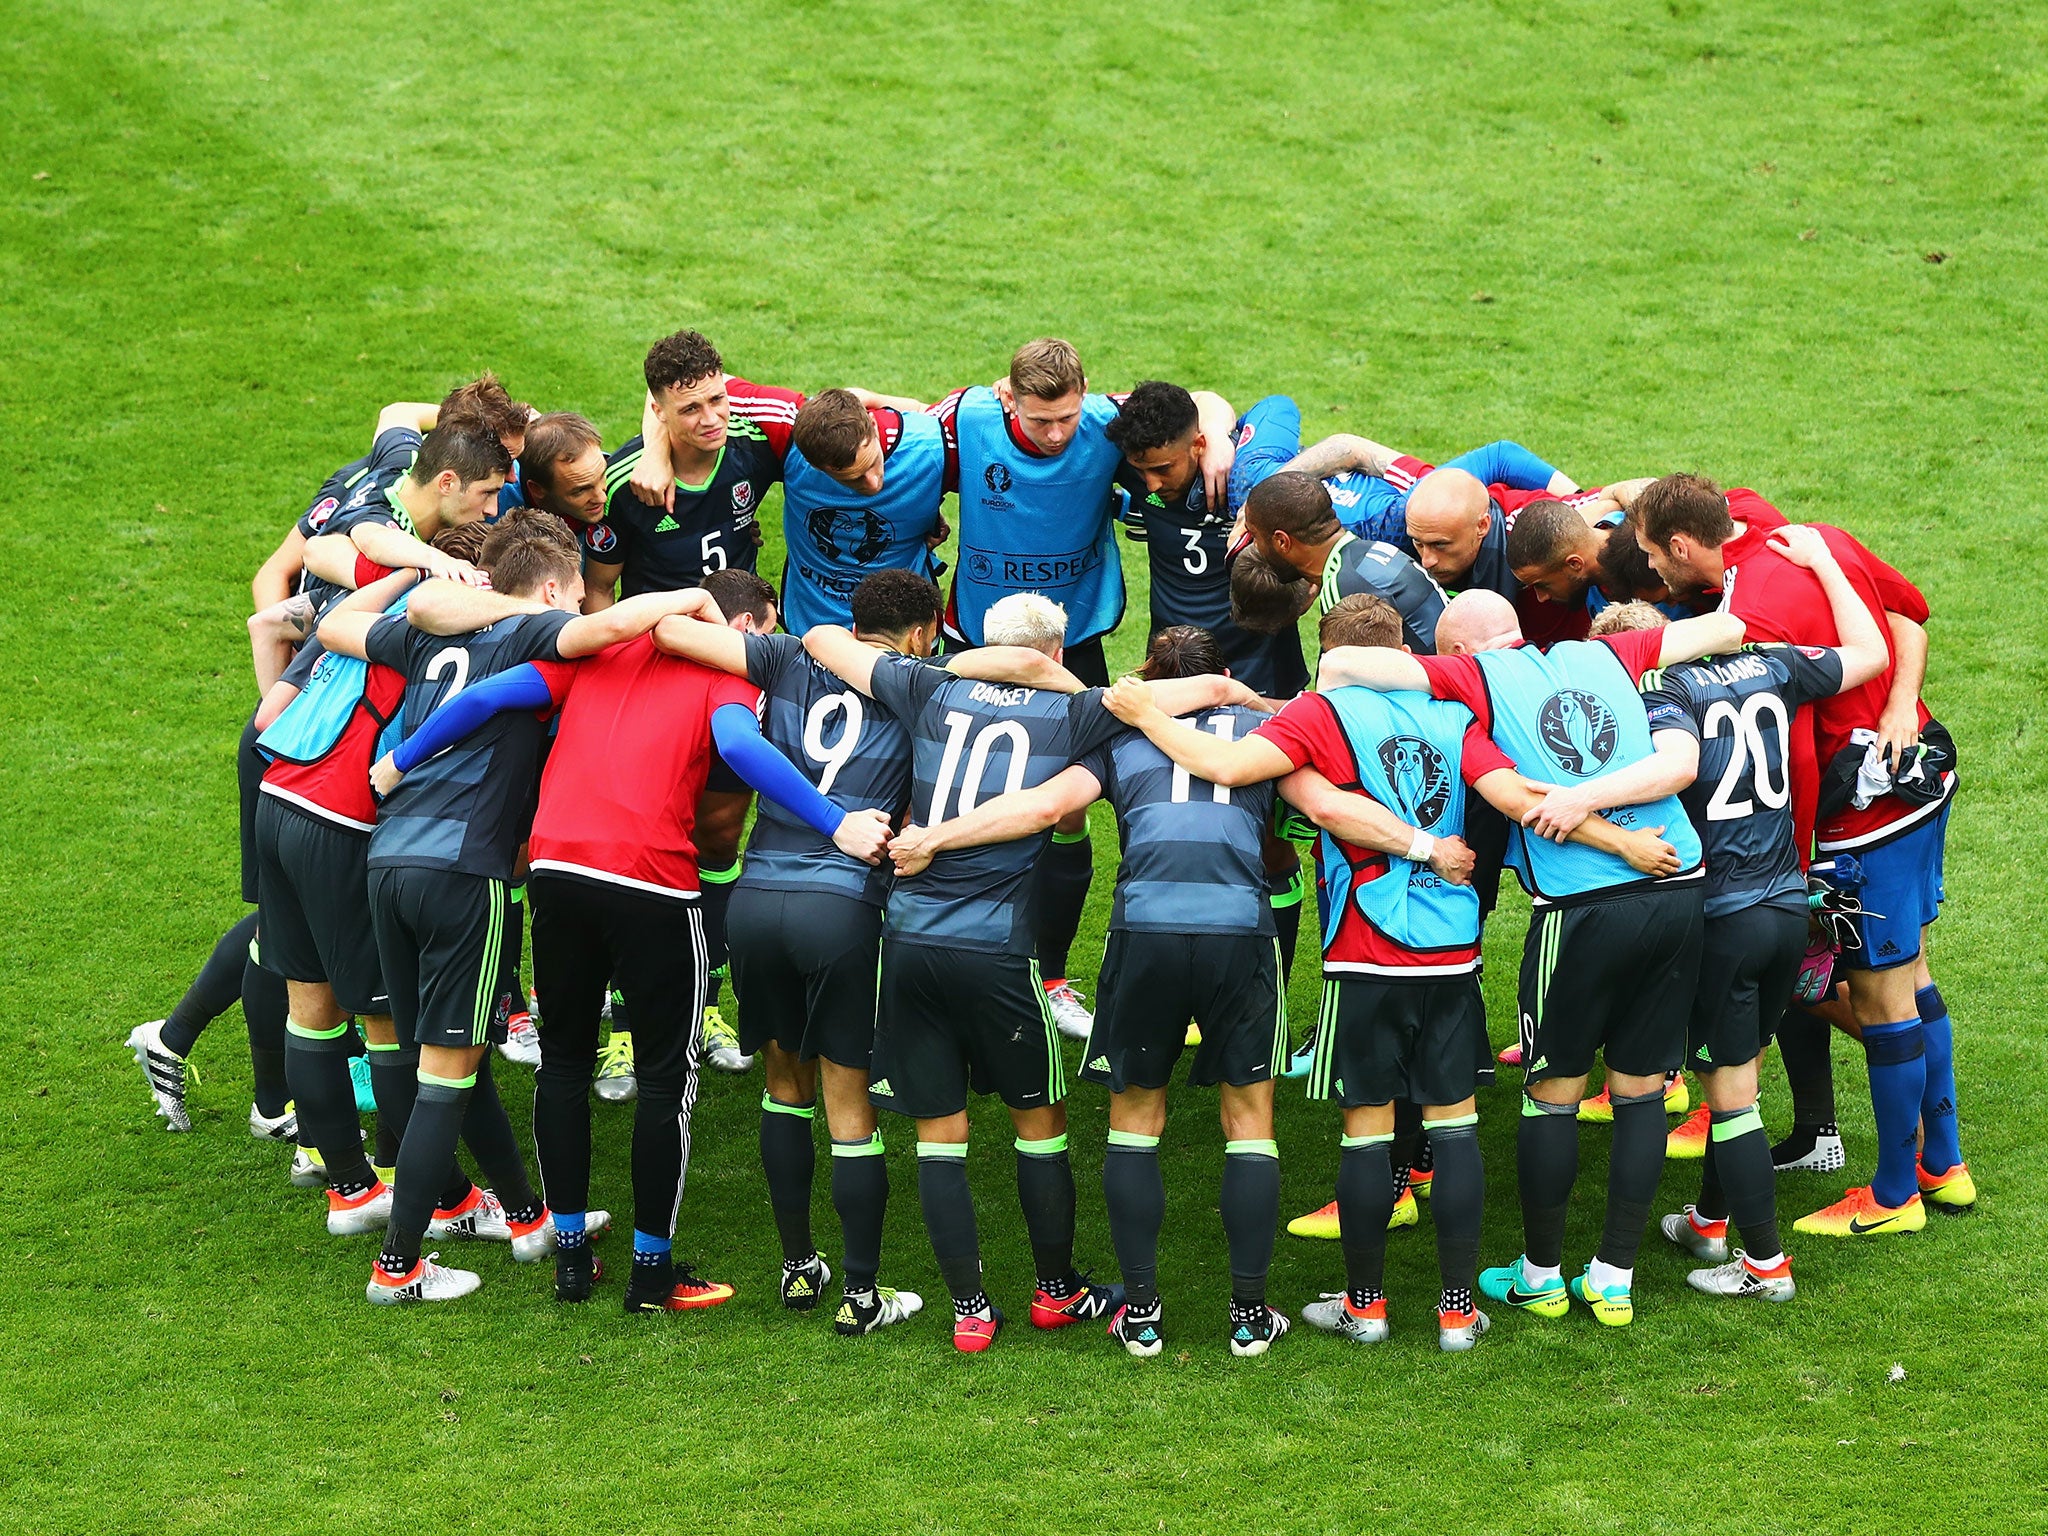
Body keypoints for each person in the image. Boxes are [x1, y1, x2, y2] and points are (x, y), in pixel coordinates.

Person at [1109, 596, 1684, 1349]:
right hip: (1452, 950)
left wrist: (1145, 714)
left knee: (1366, 1135)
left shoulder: (1319, 715)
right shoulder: (1453, 715)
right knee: (1455, 1130)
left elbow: (1225, 764)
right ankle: (1454, 1312)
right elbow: (1519, 798)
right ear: (1403, 646)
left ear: (1330, 647)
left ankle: (1366, 1308)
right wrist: (1623, 843)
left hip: (1363, 952)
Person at [375, 564, 895, 1311]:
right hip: (652, 880)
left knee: (562, 1065)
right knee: (665, 1079)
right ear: (745, 627)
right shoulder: (727, 675)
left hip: (556, 870)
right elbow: (741, 750)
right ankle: (652, 1273)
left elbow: (490, 695)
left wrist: (399, 759)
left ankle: (570, 1260)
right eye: (768, 631)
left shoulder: (593, 652)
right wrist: (836, 822)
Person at [803, 593, 1253, 1352]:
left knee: (939, 1134)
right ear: (1057, 653)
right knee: (1038, 1126)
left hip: (908, 941)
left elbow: (818, 636)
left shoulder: (927, 684)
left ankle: (970, 1311)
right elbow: (1209, 690)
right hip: (999, 953)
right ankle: (1056, 1291)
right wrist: (1084, 687)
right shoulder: (1078, 714)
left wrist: (950, 661)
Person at [651, 569, 1072, 1332]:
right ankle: (860, 1294)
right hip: (841, 905)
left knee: (783, 1085)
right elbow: (1020, 670)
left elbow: (671, 632)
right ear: (918, 635)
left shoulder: (780, 659)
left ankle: (795, 1268)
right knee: (849, 1105)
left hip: (754, 898)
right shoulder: (923, 683)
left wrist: (726, 613)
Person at [1320, 589, 1745, 1327]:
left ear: (1455, 653)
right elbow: (1731, 624)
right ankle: (1613, 1276)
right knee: (1641, 1089)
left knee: (1554, 1088)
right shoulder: (1606, 651)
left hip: (1579, 913)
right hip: (1679, 888)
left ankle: (1541, 1276)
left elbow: (1343, 660)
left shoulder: (1469, 678)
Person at [316, 514, 701, 1304]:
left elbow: (335, 625)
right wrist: (692, 596)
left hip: (388, 855)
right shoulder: (545, 634)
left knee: (444, 1054)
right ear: (558, 586)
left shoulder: (429, 635)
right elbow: (622, 621)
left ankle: (526, 1218)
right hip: (465, 867)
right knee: (447, 1068)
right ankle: (399, 1267)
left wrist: (430, 580)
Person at [890, 626, 1304, 1357]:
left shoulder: (1118, 732)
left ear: (1145, 678)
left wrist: (934, 835)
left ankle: (1140, 1312)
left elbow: (1046, 808)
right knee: (1250, 1121)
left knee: (1134, 1119)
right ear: (1227, 674)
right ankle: (1248, 1315)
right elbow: (1321, 807)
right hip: (1240, 932)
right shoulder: (1267, 728)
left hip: (1142, 933)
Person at [1528, 529, 1892, 1301]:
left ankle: (1765, 1266)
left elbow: (1679, 765)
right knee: (1740, 1076)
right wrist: (1824, 563)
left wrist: (1580, 798)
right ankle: (1709, 1225)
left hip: (1722, 914)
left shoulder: (1668, 694)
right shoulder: (1772, 664)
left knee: (1732, 1097)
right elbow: (1870, 653)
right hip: (1786, 904)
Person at [856, 340, 1241, 1040]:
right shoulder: (966, 417)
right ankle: (922, 960)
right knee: (941, 797)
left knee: (1069, 809)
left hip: (1074, 639)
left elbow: (1201, 403)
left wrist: (1214, 443)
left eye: (1067, 417)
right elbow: (876, 417)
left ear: (1086, 394)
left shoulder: (1103, 420)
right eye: (1041, 422)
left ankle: (1054, 977)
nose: (1059, 433)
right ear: (1008, 398)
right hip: (979, 639)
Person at [1633, 475, 1968, 1234]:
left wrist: (1792, 865)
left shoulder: (1751, 627)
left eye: (1655, 556)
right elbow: (1908, 617)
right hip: (1923, 781)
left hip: (1864, 812)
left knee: (1881, 997)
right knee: (1912, 973)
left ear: (1686, 545)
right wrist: (1896, 706)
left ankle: (1893, 1197)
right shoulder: (1807, 535)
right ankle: (1942, 1165)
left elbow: (1796, 763)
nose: (1653, 571)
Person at [585, 331, 809, 1082]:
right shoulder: (623, 484)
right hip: (651, 674)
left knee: (717, 834)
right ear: (658, 409)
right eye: (692, 408)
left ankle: (705, 1002)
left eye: (718, 398)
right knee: (642, 839)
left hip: (731, 667)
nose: (714, 417)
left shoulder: (751, 442)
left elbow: (852, 418)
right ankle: (622, 1018)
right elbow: (597, 590)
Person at [1106, 382, 1308, 700]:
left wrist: (1214, 430)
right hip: (1174, 656)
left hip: (1260, 659)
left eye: (1163, 469)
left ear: (1198, 444)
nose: (1152, 484)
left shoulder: (1245, 476)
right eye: (1140, 471)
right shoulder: (1142, 459)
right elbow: (1065, 401)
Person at [776, 389, 948, 636]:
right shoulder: (789, 447)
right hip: (812, 628)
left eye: (872, 463)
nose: (873, 483)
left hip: (902, 633)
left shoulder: (931, 447)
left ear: (874, 425)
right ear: (814, 465)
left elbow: (959, 415)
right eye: (853, 479)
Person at [1238, 472, 1447, 651]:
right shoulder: (1370, 551)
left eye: (1255, 537)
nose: (1255, 547)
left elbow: (1346, 695)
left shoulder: (1342, 592)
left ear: (1282, 541)